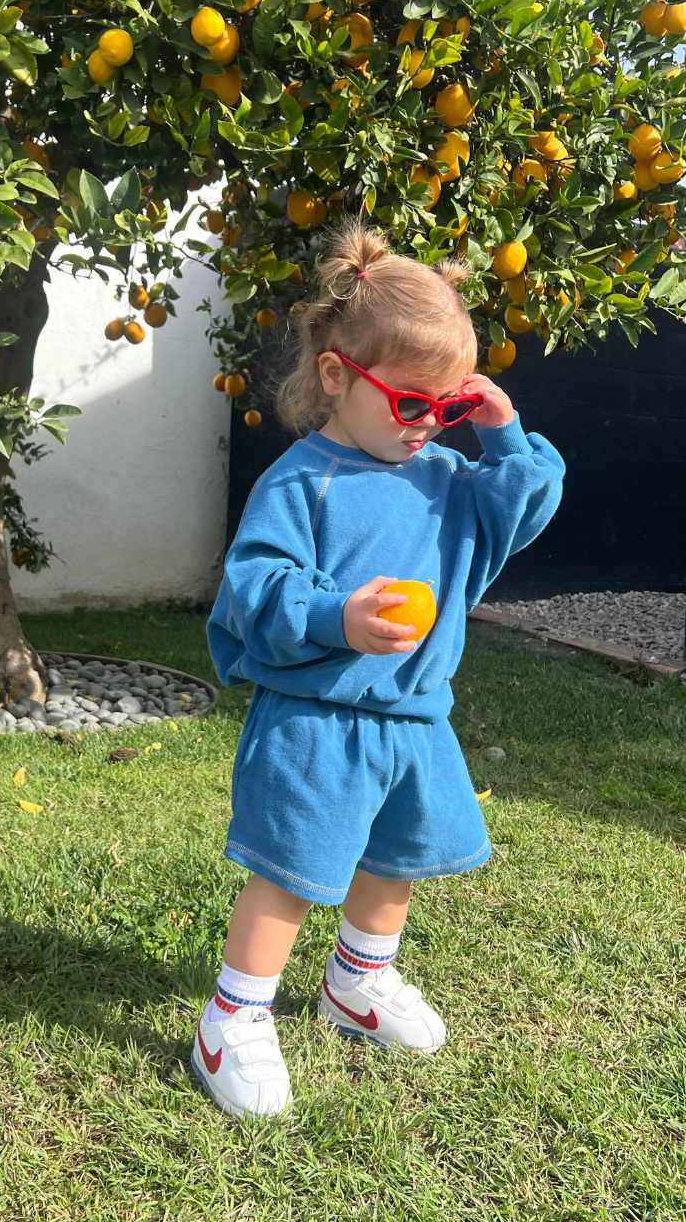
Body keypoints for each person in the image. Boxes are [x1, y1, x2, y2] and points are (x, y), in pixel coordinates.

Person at [195, 217, 564, 1117]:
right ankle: (232, 1019)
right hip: (318, 717)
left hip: (414, 717)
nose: (427, 428)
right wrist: (337, 617)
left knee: (394, 859)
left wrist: (503, 435)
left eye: (449, 408)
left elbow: (524, 508)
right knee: (290, 872)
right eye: (411, 404)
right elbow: (255, 588)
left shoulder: (446, 477)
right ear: (336, 377)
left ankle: (358, 981)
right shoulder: (301, 481)